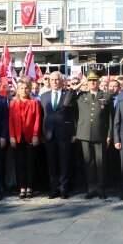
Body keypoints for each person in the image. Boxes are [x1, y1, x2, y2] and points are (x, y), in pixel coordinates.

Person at [66, 70, 114, 199]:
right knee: (88, 162)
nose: (93, 83)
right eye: (90, 81)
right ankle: (90, 188)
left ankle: (101, 188)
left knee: (100, 162)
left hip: (101, 134)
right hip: (85, 134)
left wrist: (109, 134)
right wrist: (76, 87)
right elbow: (66, 103)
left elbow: (111, 117)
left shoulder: (106, 96)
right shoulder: (81, 96)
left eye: (95, 81)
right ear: (87, 82)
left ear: (98, 82)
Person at [40, 71, 74, 199]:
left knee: (64, 162)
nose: (55, 82)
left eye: (57, 79)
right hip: (49, 135)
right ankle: (54, 189)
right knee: (51, 163)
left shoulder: (67, 95)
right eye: (52, 79)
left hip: (64, 134)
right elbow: (42, 115)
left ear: (62, 81)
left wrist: (73, 133)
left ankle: (64, 189)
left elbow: (73, 115)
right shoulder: (44, 96)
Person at [9, 78, 41, 198]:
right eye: (21, 88)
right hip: (17, 137)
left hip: (30, 137)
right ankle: (22, 187)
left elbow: (37, 120)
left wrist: (35, 135)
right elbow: (10, 121)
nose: (24, 90)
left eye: (26, 88)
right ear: (18, 89)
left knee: (30, 163)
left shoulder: (34, 103)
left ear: (29, 89)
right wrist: (11, 136)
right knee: (19, 163)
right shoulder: (13, 103)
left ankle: (30, 187)